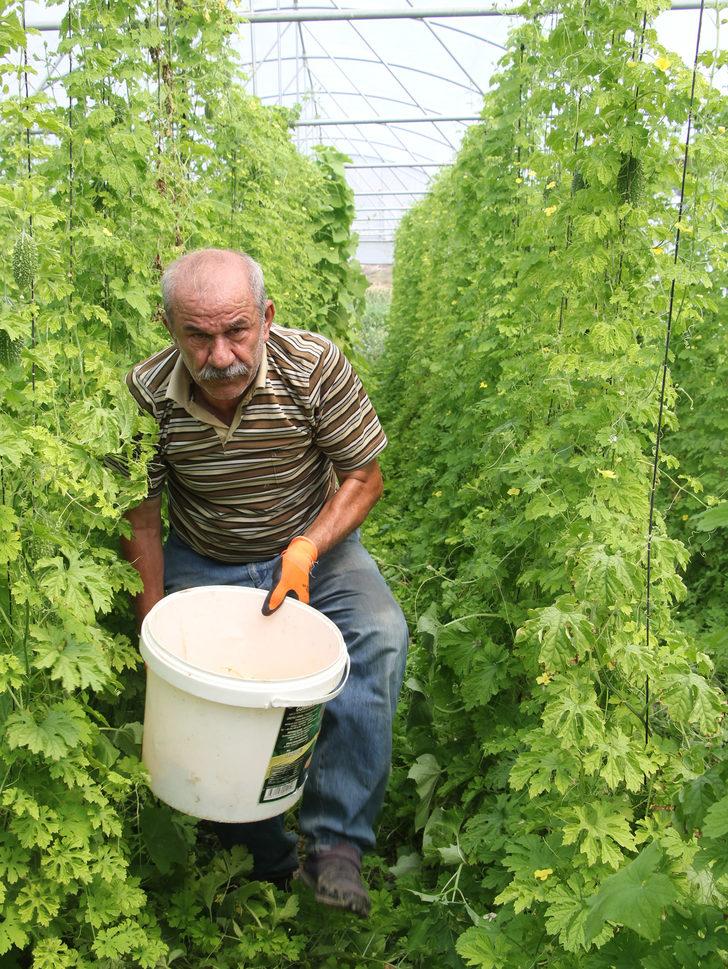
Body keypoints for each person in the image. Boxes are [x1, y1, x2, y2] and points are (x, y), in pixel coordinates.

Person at [119, 248, 408, 917]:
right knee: (212, 686)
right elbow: (141, 517)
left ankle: (337, 841)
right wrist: (157, 634)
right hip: (206, 553)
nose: (221, 354)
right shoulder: (145, 394)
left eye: (237, 330)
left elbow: (364, 477)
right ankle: (259, 847)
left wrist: (305, 547)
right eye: (198, 335)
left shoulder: (315, 367)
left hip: (318, 549)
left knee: (377, 634)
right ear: (170, 328)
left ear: (267, 316)